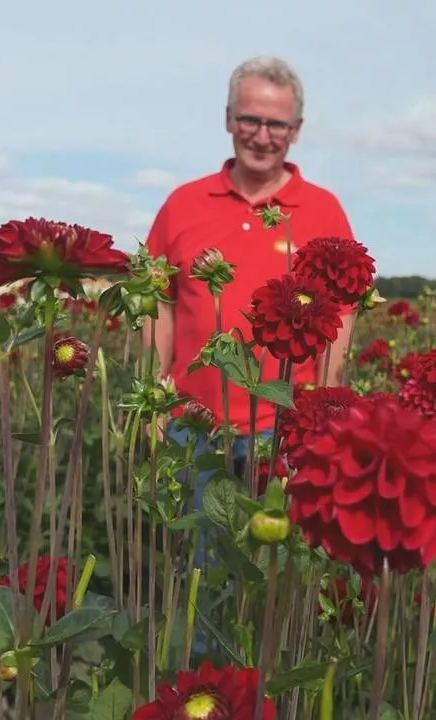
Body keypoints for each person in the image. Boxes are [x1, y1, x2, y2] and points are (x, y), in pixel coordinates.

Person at [141, 56, 360, 580]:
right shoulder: (184, 203)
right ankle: (197, 664)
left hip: (284, 429)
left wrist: (323, 404)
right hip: (193, 426)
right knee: (199, 579)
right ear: (228, 119)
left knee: (279, 581)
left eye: (276, 124)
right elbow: (157, 302)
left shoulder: (323, 209)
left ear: (297, 131)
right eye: (250, 120)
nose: (261, 136)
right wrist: (152, 398)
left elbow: (345, 310)